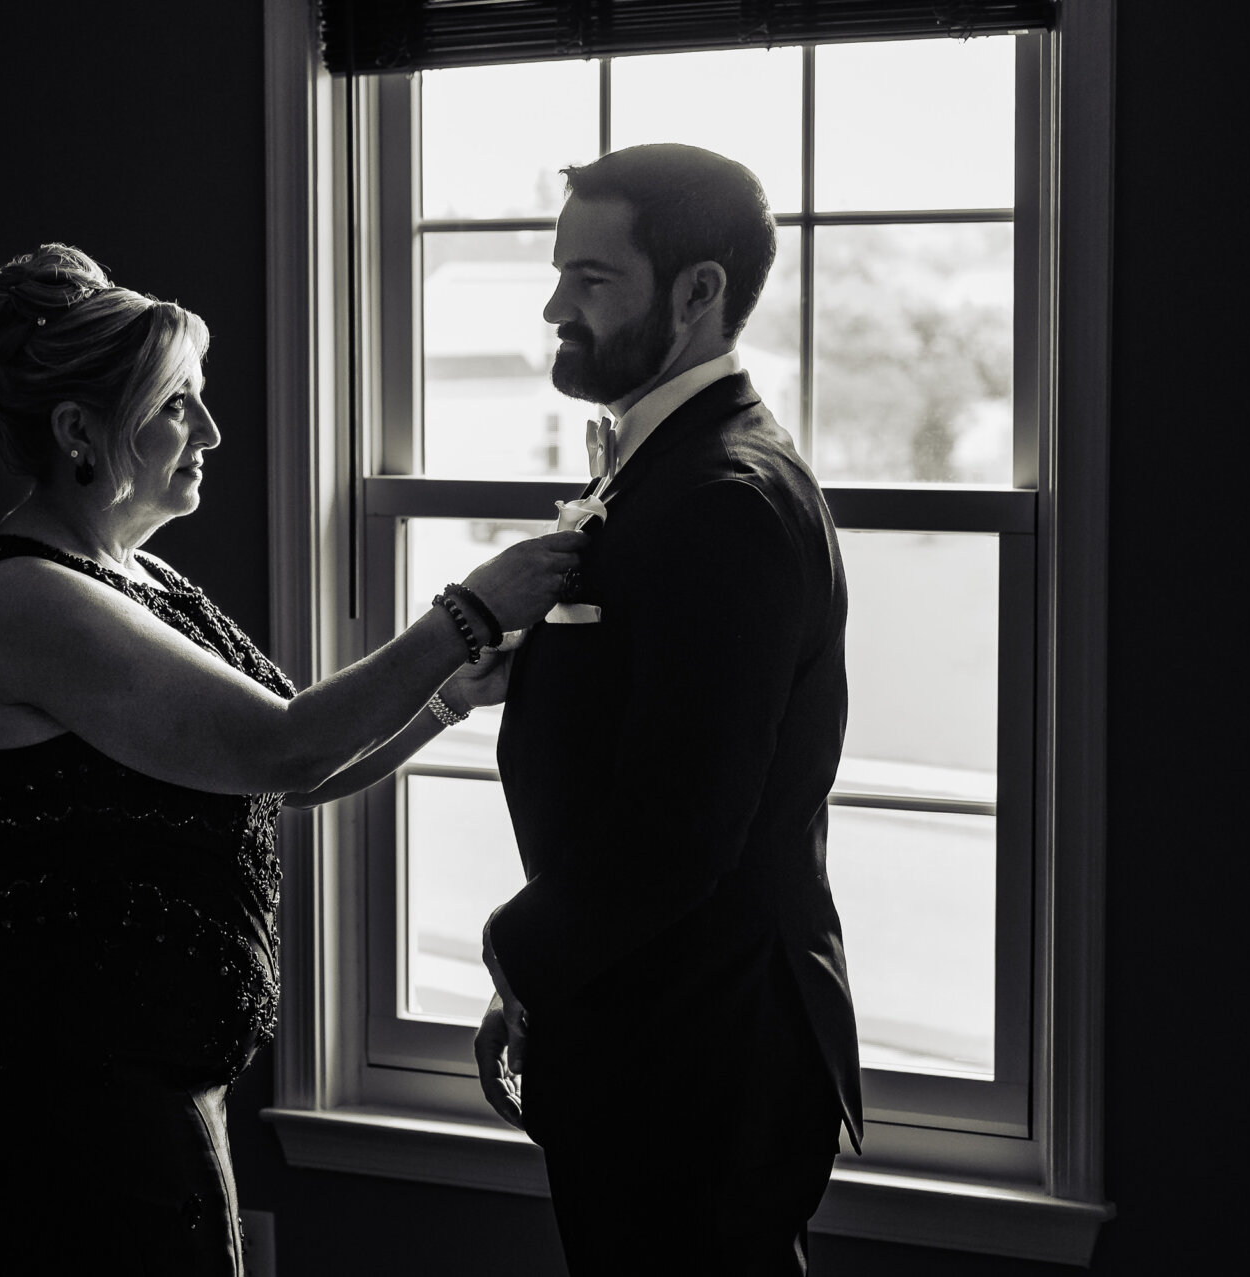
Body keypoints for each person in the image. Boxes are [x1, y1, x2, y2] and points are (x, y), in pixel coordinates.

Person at [0, 243, 581, 1275]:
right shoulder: (33, 601)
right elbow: (287, 743)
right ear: (78, 429)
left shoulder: (139, 577)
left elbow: (288, 771)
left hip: (147, 1071)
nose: (211, 430)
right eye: (176, 403)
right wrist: (467, 610)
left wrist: (449, 696)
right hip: (64, 1078)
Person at [472, 144, 863, 1274]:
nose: (556, 307)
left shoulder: (724, 498)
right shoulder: (674, 467)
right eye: (560, 273)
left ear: (698, 293)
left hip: (700, 1063)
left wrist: (517, 956)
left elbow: (681, 826)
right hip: (649, 1023)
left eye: (591, 279)